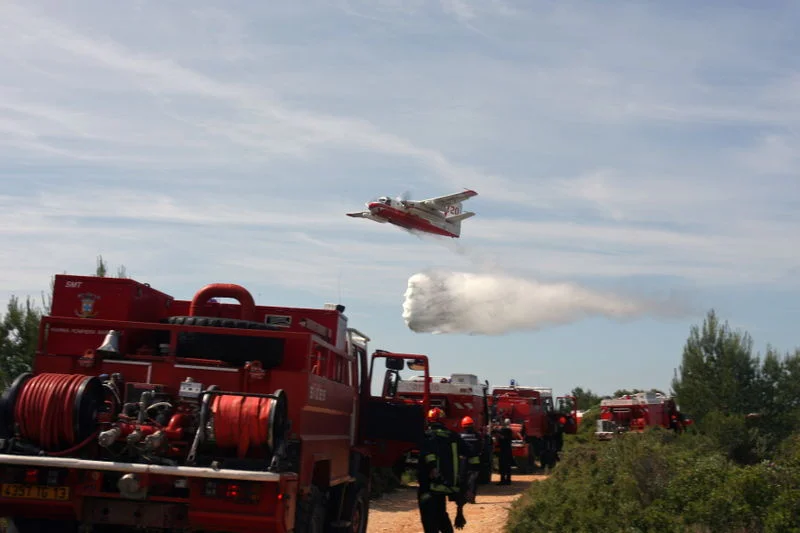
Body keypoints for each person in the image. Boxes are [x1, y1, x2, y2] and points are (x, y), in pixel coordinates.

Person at [417, 407, 479, 532]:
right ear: (444, 421)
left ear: (428, 421)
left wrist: (432, 467)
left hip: (429, 486)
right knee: (441, 513)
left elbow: (427, 455)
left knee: (429, 518)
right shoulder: (454, 437)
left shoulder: (427, 436)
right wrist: (470, 485)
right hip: (449, 486)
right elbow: (473, 456)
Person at [457, 416, 482, 503]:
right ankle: (471, 497)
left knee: (463, 478)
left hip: (463, 460)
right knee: (473, 479)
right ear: (472, 425)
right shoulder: (477, 435)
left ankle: (463, 497)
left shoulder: (460, 435)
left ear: (463, 425)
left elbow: (458, 447)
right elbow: (480, 447)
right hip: (474, 460)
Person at [494, 418, 513, 485]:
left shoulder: (507, 430)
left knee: (503, 465)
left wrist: (498, 433)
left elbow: (504, 437)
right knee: (506, 465)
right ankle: (507, 480)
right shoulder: (507, 430)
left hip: (505, 450)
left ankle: (504, 480)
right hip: (506, 450)